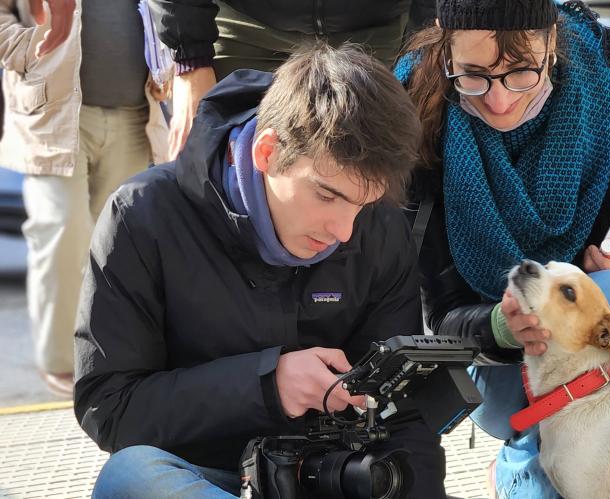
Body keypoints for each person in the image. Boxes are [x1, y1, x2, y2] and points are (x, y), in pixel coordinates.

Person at [74, 44, 447, 498]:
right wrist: (266, 385)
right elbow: (109, 409)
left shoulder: (380, 228)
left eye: (362, 204)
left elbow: (401, 418)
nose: (344, 231)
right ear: (267, 152)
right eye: (327, 196)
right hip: (195, 473)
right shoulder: (142, 215)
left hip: (325, 477)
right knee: (132, 473)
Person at [396, 0, 610, 496]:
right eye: (473, 75)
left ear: (553, 40)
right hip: (506, 364)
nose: (500, 101)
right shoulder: (411, 114)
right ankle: (528, 454)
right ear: (444, 45)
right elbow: (440, 313)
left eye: (522, 72)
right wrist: (504, 326)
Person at [0, 0, 168, 397]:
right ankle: (61, 361)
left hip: (135, 113)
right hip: (56, 113)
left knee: (120, 245)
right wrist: (24, 46)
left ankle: (112, 357)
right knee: (61, 230)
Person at [148, 0, 436, 158]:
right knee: (223, 167)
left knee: (362, 173)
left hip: (375, 30)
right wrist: (190, 58)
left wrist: (425, 43)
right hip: (243, 26)